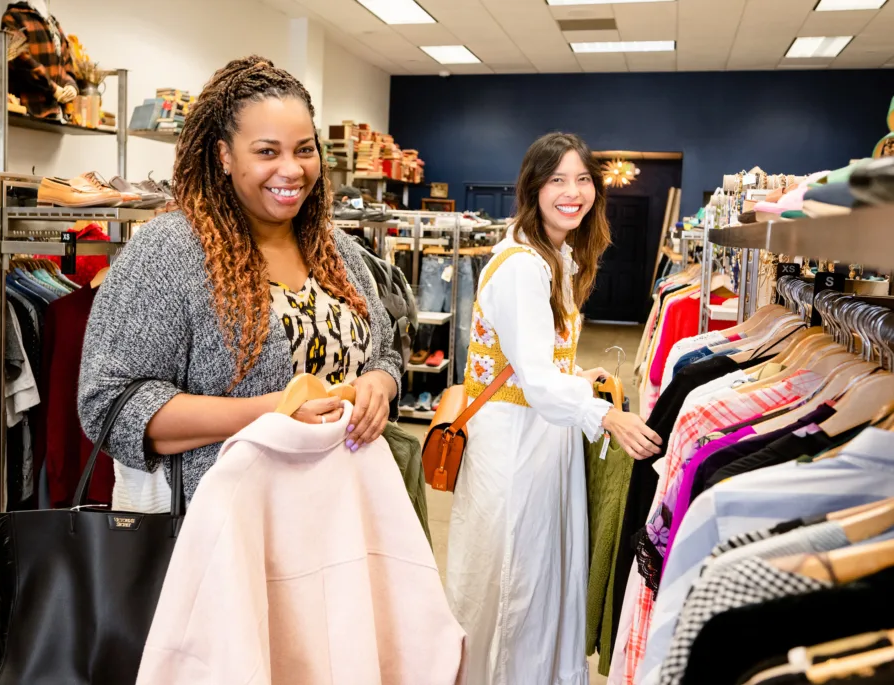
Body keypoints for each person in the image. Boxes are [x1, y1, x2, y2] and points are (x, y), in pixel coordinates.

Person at [77, 55, 402, 504]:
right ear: (224, 155)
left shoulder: (334, 249)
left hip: (338, 513)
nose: (291, 170)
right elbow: (111, 406)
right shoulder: (169, 252)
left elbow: (384, 353)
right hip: (225, 525)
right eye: (267, 151)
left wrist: (378, 387)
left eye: (304, 150)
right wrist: (275, 411)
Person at [444, 132, 662, 685]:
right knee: (514, 578)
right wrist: (606, 416)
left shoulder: (552, 256)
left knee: (537, 573)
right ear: (533, 188)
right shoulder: (523, 265)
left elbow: (536, 360)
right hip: (515, 445)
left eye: (583, 179)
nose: (573, 192)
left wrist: (577, 378)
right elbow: (536, 381)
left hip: (539, 439)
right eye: (557, 180)